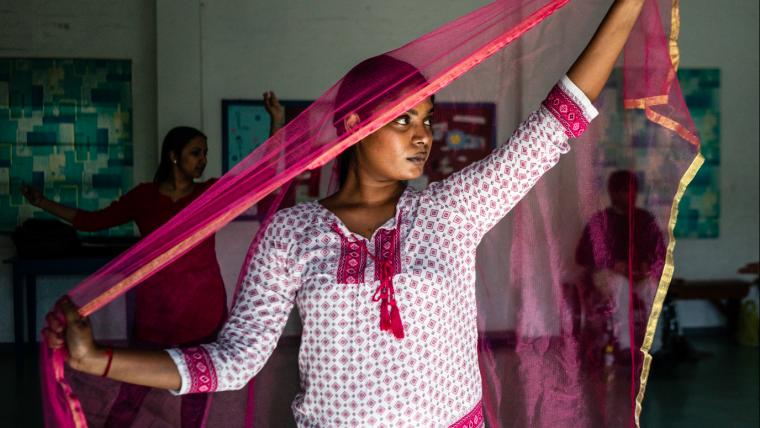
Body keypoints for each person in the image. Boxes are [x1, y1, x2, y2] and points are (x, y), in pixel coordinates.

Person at [45, 1, 647, 425]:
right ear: (355, 126)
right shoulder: (293, 232)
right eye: (404, 119)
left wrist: (628, 5)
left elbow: (554, 125)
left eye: (428, 119)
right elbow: (231, 362)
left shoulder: (450, 210)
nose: (423, 136)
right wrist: (98, 360)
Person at [30, 94, 284, 427]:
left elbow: (261, 181)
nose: (203, 160)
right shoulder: (144, 197)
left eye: (205, 153)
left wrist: (276, 122)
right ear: (173, 156)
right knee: (132, 389)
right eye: (196, 152)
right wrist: (43, 203)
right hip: (155, 311)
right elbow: (90, 221)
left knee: (196, 393)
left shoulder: (208, 194)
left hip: (202, 311)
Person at [575, 170, 666, 362]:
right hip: (607, 274)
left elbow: (660, 252)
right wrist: (612, 263)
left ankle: (654, 347)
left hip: (637, 274)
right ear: (614, 193)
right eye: (626, 191)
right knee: (620, 286)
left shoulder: (644, 219)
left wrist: (647, 265)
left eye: (634, 191)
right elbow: (582, 255)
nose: (631, 196)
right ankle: (625, 346)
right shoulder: (600, 222)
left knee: (653, 289)